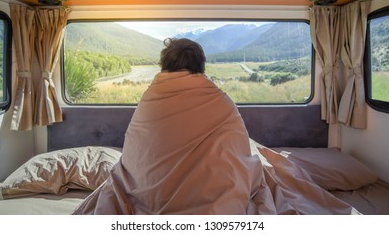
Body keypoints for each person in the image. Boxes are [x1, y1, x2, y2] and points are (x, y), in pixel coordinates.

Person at [73, 38, 271, 214]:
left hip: (150, 198)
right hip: (218, 201)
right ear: (200, 67)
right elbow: (240, 151)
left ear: (164, 66)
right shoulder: (221, 100)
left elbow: (135, 155)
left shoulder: (150, 99)